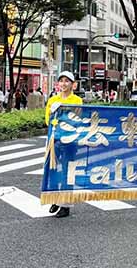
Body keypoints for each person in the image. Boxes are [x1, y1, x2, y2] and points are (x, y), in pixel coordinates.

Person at [44, 71, 83, 218]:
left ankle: (65, 205)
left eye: (67, 81)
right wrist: (54, 122)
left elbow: (77, 119)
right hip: (54, 141)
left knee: (68, 171)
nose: (64, 84)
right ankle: (55, 198)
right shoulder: (52, 100)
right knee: (52, 170)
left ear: (73, 84)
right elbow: (48, 119)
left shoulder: (77, 100)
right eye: (61, 81)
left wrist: (64, 118)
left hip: (70, 142)